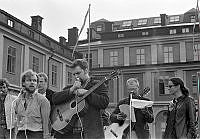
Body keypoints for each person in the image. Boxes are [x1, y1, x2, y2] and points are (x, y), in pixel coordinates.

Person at [52, 59, 109, 139]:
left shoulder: (97, 84)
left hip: (90, 133)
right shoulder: (71, 88)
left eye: (78, 73)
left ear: (86, 70)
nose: (76, 77)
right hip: (69, 134)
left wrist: (86, 93)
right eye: (74, 74)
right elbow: (54, 98)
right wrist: (71, 90)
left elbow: (104, 102)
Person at [14, 69, 51, 139]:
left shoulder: (43, 100)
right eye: (29, 80)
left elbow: (46, 122)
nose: (32, 83)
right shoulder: (18, 100)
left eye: (34, 81)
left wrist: (46, 136)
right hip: (21, 134)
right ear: (23, 83)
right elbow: (16, 118)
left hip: (36, 134)